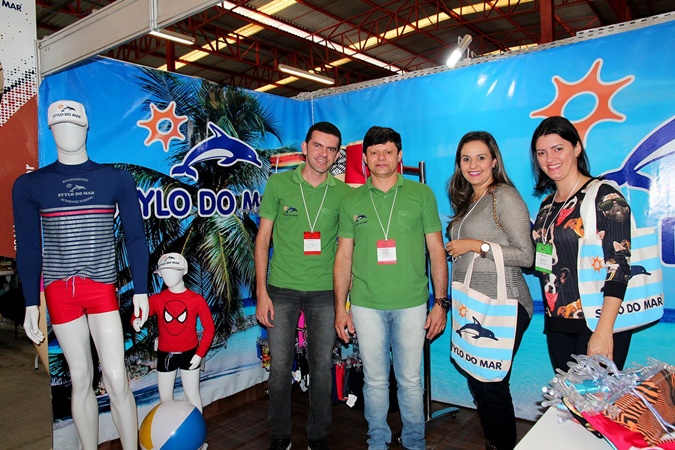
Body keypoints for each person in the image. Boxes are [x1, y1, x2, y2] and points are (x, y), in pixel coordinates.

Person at [12, 100, 150, 450]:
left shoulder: (116, 179)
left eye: (73, 125)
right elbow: (28, 248)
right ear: (50, 130)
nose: (67, 133)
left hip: (101, 289)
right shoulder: (30, 185)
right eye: (59, 126)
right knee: (81, 378)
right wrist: (30, 303)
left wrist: (142, 290)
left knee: (117, 378)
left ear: (86, 127)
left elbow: (135, 237)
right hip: (60, 292)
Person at [334, 126, 448, 450]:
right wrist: (340, 308)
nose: (381, 158)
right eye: (374, 152)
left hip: (412, 304)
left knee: (410, 381)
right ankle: (377, 442)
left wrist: (441, 303)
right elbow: (343, 256)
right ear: (365, 159)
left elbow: (436, 250)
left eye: (388, 151)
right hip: (365, 305)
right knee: (374, 381)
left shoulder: (421, 194)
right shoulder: (351, 200)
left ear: (400, 156)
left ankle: (414, 442)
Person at [255, 121, 351, 450]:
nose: (324, 154)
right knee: (280, 367)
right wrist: (261, 292)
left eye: (331, 149)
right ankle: (280, 435)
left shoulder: (343, 193)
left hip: (325, 292)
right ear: (305, 147)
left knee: (322, 367)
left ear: (337, 154)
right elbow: (262, 240)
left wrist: (344, 302)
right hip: (281, 289)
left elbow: (347, 250)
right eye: (318, 145)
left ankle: (318, 434)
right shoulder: (279, 184)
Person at [445, 131, 534, 450]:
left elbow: (526, 255)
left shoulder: (504, 196)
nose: (473, 165)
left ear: (494, 161)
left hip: (504, 302)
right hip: (474, 305)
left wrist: (475, 245)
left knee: (492, 384)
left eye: (481, 157)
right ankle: (493, 443)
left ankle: (502, 445)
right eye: (466, 159)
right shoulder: (470, 200)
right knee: (478, 381)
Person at [530, 116, 632, 372]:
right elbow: (546, 261)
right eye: (541, 153)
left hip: (597, 322)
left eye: (558, 149)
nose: (550, 159)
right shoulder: (546, 206)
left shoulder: (605, 196)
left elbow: (620, 266)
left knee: (596, 397)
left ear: (576, 148)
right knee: (567, 396)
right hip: (558, 323)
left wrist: (604, 330)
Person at [132, 252, 215, 412]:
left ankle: (197, 428)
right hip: (165, 354)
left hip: (190, 354)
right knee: (165, 399)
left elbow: (209, 328)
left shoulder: (196, 300)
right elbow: (139, 312)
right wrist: (136, 320)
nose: (168, 275)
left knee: (192, 396)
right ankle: (169, 427)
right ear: (160, 274)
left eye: (172, 271)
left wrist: (199, 354)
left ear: (184, 271)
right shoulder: (157, 300)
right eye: (165, 272)